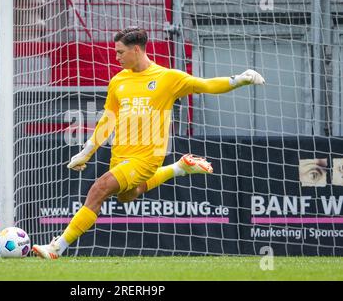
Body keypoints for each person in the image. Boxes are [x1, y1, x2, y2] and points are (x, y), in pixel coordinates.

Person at [32, 26, 265, 260]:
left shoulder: (168, 78)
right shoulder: (118, 81)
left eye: (121, 52)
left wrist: (239, 80)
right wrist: (87, 151)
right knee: (126, 196)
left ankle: (57, 247)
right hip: (120, 154)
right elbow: (107, 119)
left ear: (136, 49)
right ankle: (178, 168)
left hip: (146, 158)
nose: (117, 57)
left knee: (99, 189)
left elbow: (205, 85)